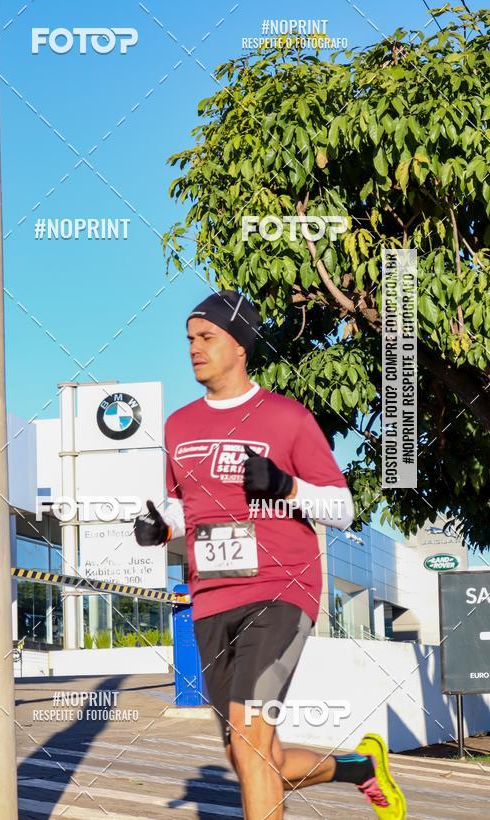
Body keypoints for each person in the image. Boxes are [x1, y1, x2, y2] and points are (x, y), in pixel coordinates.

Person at [134, 290, 406, 820]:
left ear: (240, 345)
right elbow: (185, 506)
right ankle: (359, 768)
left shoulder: (286, 418)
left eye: (207, 337)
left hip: (279, 592)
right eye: (189, 339)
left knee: (252, 738)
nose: (194, 348)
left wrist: (286, 487)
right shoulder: (178, 426)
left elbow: (342, 507)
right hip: (211, 598)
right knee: (246, 753)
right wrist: (162, 524)